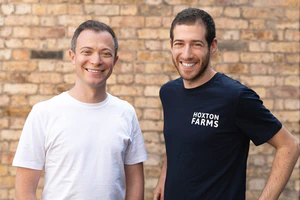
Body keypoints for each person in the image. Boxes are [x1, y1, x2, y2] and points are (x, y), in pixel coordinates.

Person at [153, 8, 300, 200]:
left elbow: (289, 146)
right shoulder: (168, 93)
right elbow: (178, 141)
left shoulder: (235, 97)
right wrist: (163, 178)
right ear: (172, 45)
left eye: (196, 44)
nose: (186, 54)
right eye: (180, 44)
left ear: (212, 46)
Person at [13, 20, 148, 200]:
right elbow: (24, 191)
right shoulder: (43, 113)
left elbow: (135, 184)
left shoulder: (126, 113)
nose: (96, 60)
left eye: (105, 53)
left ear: (115, 60)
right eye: (87, 52)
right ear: (73, 56)